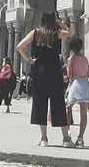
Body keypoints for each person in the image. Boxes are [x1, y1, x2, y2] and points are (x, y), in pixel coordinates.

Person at [17, 10, 74, 148]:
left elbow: (20, 47)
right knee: (58, 104)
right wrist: (60, 22)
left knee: (40, 104)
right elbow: (69, 33)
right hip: (54, 72)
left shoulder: (36, 32)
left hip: (40, 72)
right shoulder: (56, 32)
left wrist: (29, 59)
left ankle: (44, 139)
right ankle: (66, 138)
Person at [65, 34, 89, 148]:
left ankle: (68, 134)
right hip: (85, 85)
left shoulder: (71, 59)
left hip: (75, 84)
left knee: (68, 108)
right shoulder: (85, 59)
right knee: (83, 112)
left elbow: (70, 75)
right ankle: (80, 138)